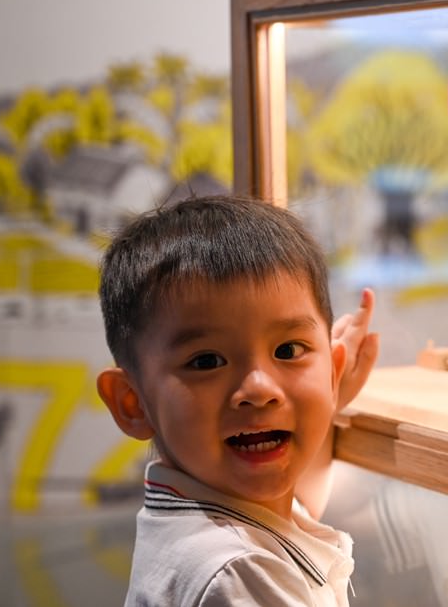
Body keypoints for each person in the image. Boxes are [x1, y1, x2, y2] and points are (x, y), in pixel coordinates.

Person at [96, 194, 379, 606]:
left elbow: (296, 507)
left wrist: (327, 394)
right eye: (207, 360)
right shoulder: (240, 573)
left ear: (333, 371)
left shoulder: (194, 511)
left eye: (288, 351)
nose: (260, 388)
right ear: (132, 403)